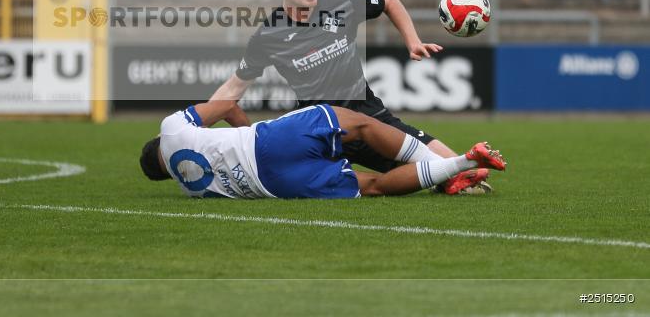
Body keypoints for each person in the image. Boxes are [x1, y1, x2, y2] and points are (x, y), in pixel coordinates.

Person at [208, 0, 492, 195]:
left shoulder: (341, 3)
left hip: (369, 115)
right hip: (318, 130)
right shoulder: (269, 35)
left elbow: (388, 1)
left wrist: (413, 42)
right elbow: (233, 87)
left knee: (465, 173)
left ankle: (436, 177)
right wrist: (195, 127)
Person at [140, 101, 506, 199]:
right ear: (157, 147)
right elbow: (227, 104)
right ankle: (449, 166)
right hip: (264, 143)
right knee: (359, 122)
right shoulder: (171, 129)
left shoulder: (192, 189)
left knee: (374, 186)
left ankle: (464, 160)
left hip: (276, 185)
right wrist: (246, 129)